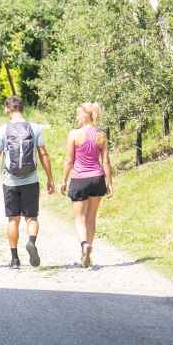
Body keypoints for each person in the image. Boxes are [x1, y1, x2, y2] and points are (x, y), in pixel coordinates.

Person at [0, 95, 54, 268]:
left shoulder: (3, 130)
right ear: (22, 108)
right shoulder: (35, 128)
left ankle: (15, 259)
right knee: (31, 218)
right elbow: (44, 155)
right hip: (31, 180)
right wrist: (50, 178)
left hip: (10, 182)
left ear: (7, 109)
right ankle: (31, 241)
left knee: (13, 220)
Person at [62, 101, 114, 268]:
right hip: (97, 179)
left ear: (85, 116)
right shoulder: (101, 135)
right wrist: (109, 182)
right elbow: (105, 161)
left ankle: (84, 244)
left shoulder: (74, 134)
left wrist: (63, 180)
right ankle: (88, 254)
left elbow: (69, 160)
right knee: (91, 218)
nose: (77, 116)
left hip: (79, 180)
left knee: (79, 218)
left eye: (79, 113)